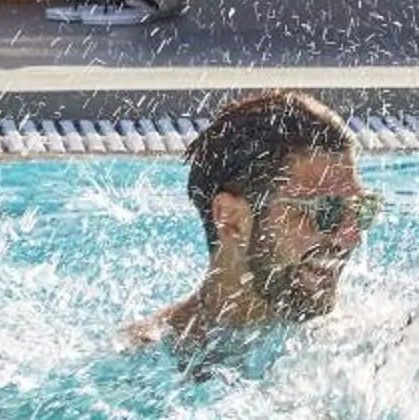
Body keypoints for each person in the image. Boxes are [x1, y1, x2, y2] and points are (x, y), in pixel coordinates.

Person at [126, 89, 379, 365]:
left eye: (361, 209)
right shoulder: (146, 357)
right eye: (326, 210)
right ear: (231, 218)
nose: (352, 236)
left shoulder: (369, 346)